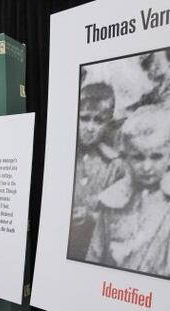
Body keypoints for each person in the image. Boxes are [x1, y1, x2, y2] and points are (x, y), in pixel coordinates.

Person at [86, 104, 170, 276]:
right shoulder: (113, 200)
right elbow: (94, 255)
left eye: (156, 157)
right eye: (138, 157)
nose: (147, 167)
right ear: (126, 157)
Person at [68, 82, 126, 260]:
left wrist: (91, 217)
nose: (90, 128)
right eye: (84, 118)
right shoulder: (64, 155)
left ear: (108, 122)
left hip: (94, 254)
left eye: (98, 120)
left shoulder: (115, 165)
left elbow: (120, 220)